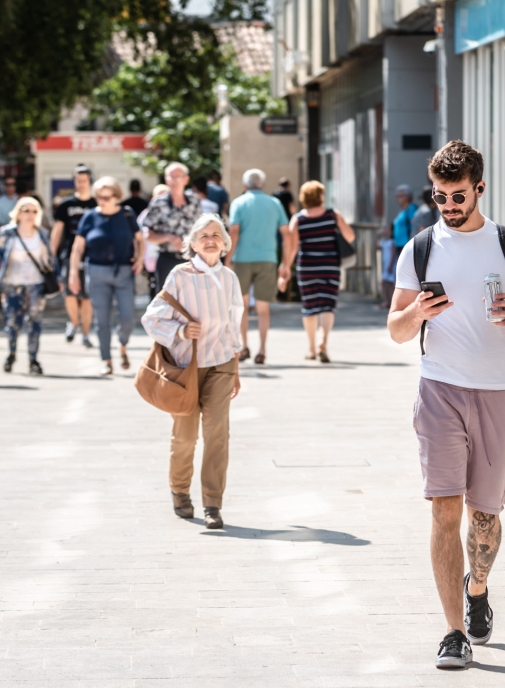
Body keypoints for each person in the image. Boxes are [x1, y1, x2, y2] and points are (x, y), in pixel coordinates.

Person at [387, 141, 505, 670]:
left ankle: (477, 588)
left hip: (498, 390)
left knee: (486, 514)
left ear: (479, 188)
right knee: (444, 509)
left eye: (458, 195)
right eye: (440, 196)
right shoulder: (421, 248)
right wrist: (417, 313)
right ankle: (454, 631)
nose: (449, 205)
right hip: (439, 389)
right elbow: (396, 329)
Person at [141, 214, 243, 530]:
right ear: (193, 245)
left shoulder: (229, 277)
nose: (211, 240)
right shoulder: (180, 275)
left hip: (221, 364)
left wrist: (236, 366)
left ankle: (213, 504)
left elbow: (233, 323)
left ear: (225, 243)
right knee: (185, 437)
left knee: (217, 436)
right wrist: (183, 332)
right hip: (185, 370)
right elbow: (152, 319)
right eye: (203, 236)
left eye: (216, 235)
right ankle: (179, 491)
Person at [68, 177, 145, 376]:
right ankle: (107, 360)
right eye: (98, 196)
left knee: (127, 317)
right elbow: (78, 248)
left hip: (123, 271)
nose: (101, 200)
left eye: (106, 197)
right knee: (102, 320)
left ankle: (123, 345)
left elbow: (140, 239)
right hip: (97, 272)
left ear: (117, 196)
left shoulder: (127, 214)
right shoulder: (90, 217)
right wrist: (73, 273)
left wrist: (140, 259)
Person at [226, 169, 291, 364]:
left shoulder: (238, 203)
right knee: (263, 309)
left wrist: (227, 259)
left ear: (245, 185)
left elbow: (234, 232)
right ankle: (262, 350)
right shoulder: (275, 203)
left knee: (242, 307)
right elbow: (287, 234)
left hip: (242, 259)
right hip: (267, 259)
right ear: (262, 184)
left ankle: (244, 346)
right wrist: (285, 263)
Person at [0, 197, 58, 375]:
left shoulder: (41, 233)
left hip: (35, 284)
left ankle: (33, 359)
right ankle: (11, 353)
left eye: (34, 211)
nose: (30, 215)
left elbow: (50, 257)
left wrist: (58, 277)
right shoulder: (7, 232)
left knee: (35, 321)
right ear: (17, 213)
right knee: (13, 322)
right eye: (26, 210)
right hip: (12, 283)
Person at [285, 181, 354, 362]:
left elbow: (292, 248)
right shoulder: (332, 214)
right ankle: (323, 342)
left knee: (309, 307)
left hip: (306, 267)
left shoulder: (298, 219)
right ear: (320, 196)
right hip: (329, 266)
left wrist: (285, 268)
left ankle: (311, 349)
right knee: (327, 305)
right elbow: (350, 236)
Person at [51, 165, 96, 348]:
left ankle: (86, 333)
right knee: (69, 293)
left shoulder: (96, 204)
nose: (81, 184)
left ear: (89, 182)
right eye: (78, 180)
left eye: (84, 180)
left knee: (87, 297)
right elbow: (57, 231)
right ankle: (74, 323)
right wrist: (51, 255)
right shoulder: (66, 204)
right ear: (74, 182)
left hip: (92, 255)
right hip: (69, 255)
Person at [140, 162, 202, 289]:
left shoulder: (194, 201)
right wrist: (169, 237)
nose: (174, 181)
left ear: (186, 179)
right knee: (166, 301)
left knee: (192, 301)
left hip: (191, 260)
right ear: (166, 180)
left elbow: (201, 230)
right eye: (171, 177)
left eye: (178, 177)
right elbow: (148, 236)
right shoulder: (158, 203)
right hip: (167, 259)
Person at [392, 184, 418, 251]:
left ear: (408, 197)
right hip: (399, 246)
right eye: (397, 196)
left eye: (401, 196)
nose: (398, 199)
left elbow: (414, 226)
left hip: (407, 246)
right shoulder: (402, 211)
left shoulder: (411, 208)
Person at [378, 223, 396, 309]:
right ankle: (388, 301)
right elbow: (376, 247)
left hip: (390, 266)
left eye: (387, 229)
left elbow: (393, 255)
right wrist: (377, 237)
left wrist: (390, 265)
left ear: (391, 232)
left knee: (390, 284)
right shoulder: (383, 242)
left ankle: (394, 302)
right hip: (386, 266)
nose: (385, 230)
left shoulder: (391, 242)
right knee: (384, 283)